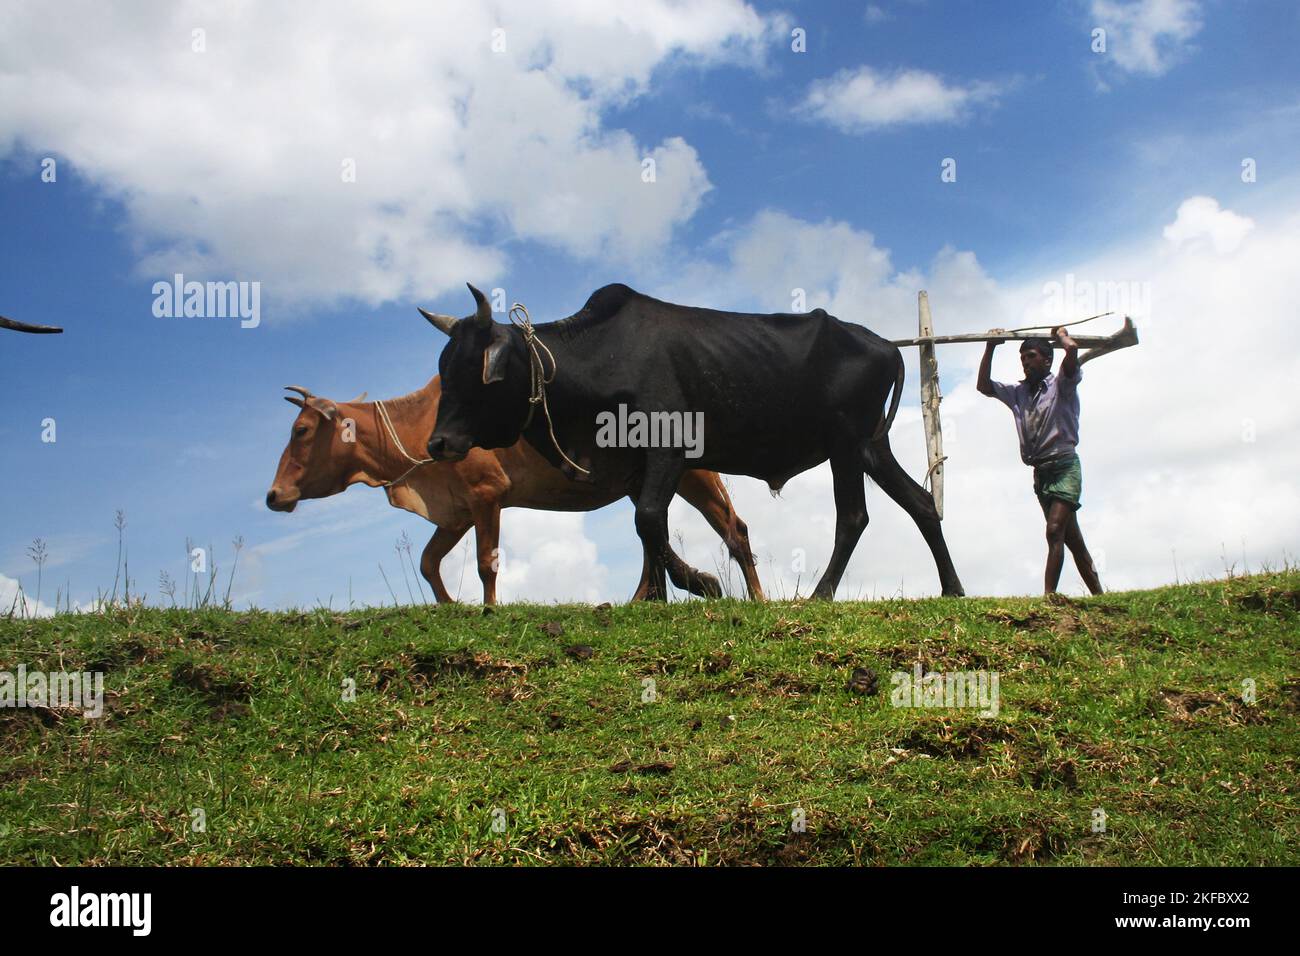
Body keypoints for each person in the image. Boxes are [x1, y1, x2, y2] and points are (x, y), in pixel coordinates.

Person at [977, 326, 1103, 595]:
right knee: (1073, 540)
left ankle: (1049, 596)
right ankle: (1100, 597)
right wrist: (990, 346)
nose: (1025, 362)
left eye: (1031, 356)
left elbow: (1071, 350)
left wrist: (1061, 334)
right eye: (1022, 358)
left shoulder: (1062, 385)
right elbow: (984, 386)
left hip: (1065, 467)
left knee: (1054, 530)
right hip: (1041, 473)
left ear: (1047, 360)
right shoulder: (1018, 393)